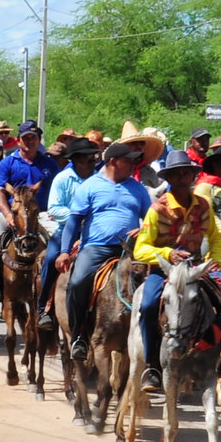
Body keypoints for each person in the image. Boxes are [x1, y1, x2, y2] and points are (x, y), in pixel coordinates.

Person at [131, 153, 221, 390]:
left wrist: (214, 260)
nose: (182, 177)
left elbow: (214, 237)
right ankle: (152, 366)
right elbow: (141, 248)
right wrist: (166, 254)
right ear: (169, 177)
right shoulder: (157, 209)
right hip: (164, 271)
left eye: (187, 173)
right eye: (177, 173)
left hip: (197, 267)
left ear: (194, 176)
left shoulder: (203, 206)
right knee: (149, 304)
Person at [61, 142, 154, 366]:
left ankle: (151, 340)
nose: (133, 165)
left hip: (131, 250)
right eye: (128, 160)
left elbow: (153, 219)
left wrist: (143, 229)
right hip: (96, 248)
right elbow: (74, 220)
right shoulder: (90, 186)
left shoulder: (137, 188)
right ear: (113, 161)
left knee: (154, 286)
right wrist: (64, 251)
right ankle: (79, 336)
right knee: (77, 282)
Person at [0, 120, 61, 303]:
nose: (29, 142)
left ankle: (56, 286)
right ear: (18, 140)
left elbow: (58, 188)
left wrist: (55, 210)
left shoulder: (50, 164)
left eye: (33, 138)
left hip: (42, 214)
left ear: (38, 140)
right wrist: (8, 214)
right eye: (26, 138)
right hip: (13, 213)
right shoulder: (8, 163)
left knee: (61, 243)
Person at [38, 138, 101, 327]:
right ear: (77, 159)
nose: (94, 160)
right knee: (50, 259)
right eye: (90, 156)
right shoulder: (62, 179)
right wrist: (78, 215)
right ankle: (43, 308)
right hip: (67, 230)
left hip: (93, 232)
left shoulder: (98, 179)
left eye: (94, 156)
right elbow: (54, 209)